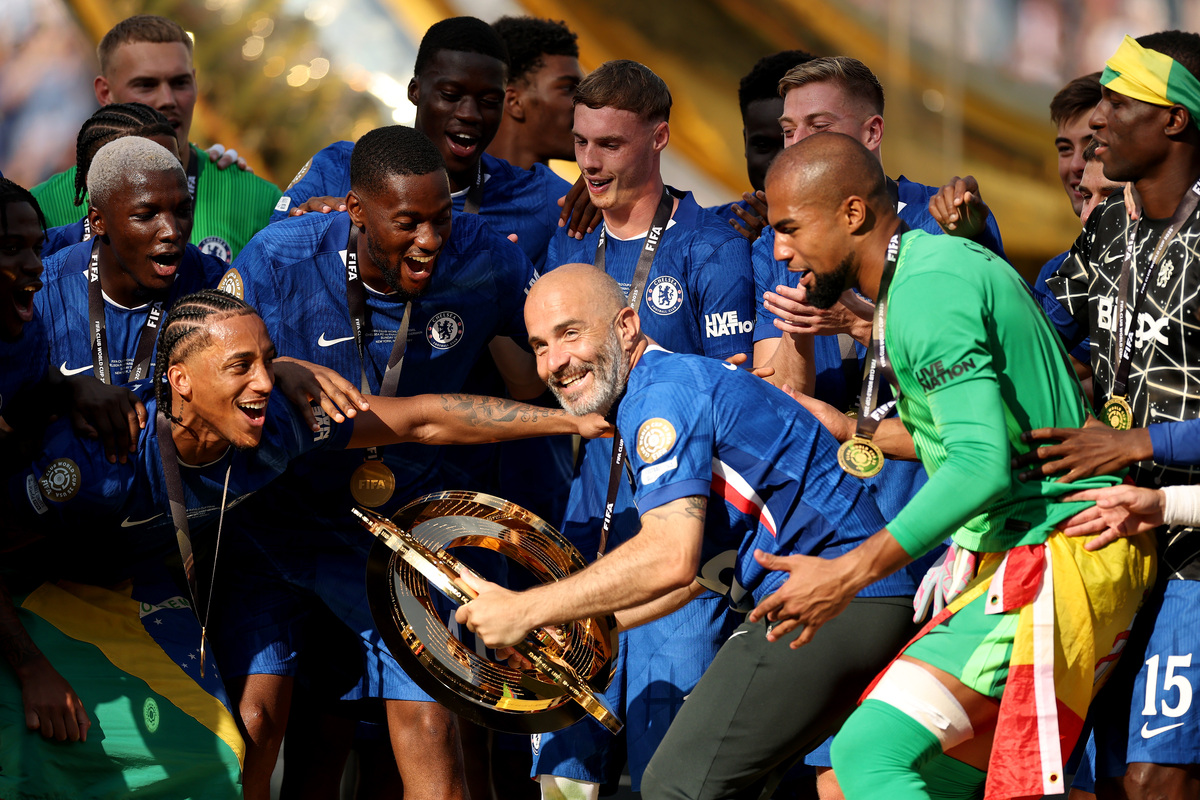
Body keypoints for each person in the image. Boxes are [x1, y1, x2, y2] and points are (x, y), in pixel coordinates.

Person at [0, 288, 608, 800]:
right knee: (51, 735)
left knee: (221, 748)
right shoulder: (94, 461)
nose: (266, 382)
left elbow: (423, 418)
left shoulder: (276, 425)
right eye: (241, 366)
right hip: (34, 595)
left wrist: (570, 421)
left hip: (138, 594)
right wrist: (31, 666)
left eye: (269, 361)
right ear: (180, 381)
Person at [755, 132, 1153, 800]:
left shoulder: (928, 288)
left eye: (790, 228)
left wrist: (847, 574)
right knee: (876, 780)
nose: (779, 250)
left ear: (852, 214)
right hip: (1039, 551)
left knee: (866, 753)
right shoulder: (919, 277)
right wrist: (855, 428)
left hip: (1060, 552)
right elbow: (971, 436)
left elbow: (980, 465)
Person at [452, 263, 912, 800]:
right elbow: (700, 573)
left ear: (626, 326)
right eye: (539, 346)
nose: (555, 362)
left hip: (840, 598)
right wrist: (586, 629)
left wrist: (525, 610)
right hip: (841, 598)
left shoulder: (660, 395)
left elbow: (671, 555)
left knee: (676, 784)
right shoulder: (665, 385)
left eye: (570, 333)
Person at [212, 124, 552, 800]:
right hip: (277, 522)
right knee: (258, 722)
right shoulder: (279, 259)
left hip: (400, 530)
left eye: (440, 218)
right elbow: (205, 360)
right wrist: (280, 365)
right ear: (356, 211)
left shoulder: (486, 258)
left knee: (431, 731)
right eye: (409, 223)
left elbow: (531, 374)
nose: (430, 240)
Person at [533, 59, 756, 799]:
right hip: (582, 539)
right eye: (581, 143)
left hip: (682, 555)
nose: (589, 162)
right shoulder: (566, 239)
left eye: (610, 145)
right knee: (562, 779)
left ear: (659, 138)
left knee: (669, 775)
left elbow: (734, 401)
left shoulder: (713, 246)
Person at [1035, 30, 1200, 800]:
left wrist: (1135, 440)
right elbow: (1040, 331)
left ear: (1175, 121)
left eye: (1119, 101)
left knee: (1154, 777)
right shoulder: (1111, 224)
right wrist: (960, 260)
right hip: (1114, 544)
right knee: (1095, 775)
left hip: (1194, 555)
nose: (1097, 120)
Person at [273, 16, 575, 273]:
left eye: (488, 101)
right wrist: (303, 233)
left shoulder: (551, 201)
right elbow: (262, 267)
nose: (470, 114)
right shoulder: (338, 166)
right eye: (450, 94)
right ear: (415, 91)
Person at [31, 15, 281, 262]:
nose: (168, 100)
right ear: (105, 93)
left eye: (180, 83)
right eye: (146, 85)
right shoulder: (44, 208)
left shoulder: (257, 200)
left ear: (195, 84)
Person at [1030, 73, 1104, 376]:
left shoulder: (1178, 253)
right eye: (1065, 149)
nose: (1076, 164)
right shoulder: (1055, 273)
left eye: (1093, 145)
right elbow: (1031, 351)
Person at [40, 103, 180, 256]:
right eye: (146, 171)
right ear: (95, 183)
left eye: (175, 166)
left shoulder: (205, 270)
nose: (168, 182)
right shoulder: (42, 262)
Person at [708, 49, 813, 241]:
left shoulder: (865, 232)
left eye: (795, 142)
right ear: (745, 143)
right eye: (763, 145)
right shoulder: (704, 231)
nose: (780, 163)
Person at [488, 16, 584, 170]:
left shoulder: (568, 194)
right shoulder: (443, 186)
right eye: (567, 88)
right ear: (514, 101)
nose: (587, 104)